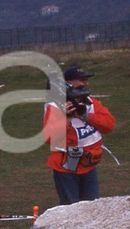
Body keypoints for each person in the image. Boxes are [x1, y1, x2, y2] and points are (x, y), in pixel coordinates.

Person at [43, 65, 116, 205]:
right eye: (81, 80)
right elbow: (50, 138)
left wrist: (86, 116)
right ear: (68, 83)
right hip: (66, 167)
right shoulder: (55, 106)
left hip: (89, 165)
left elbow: (109, 125)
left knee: (92, 207)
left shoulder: (91, 102)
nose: (86, 83)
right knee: (72, 210)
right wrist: (66, 118)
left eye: (87, 80)